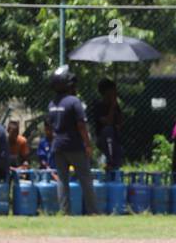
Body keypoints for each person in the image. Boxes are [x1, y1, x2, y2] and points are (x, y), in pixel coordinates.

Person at [47, 67, 97, 215]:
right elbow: (81, 125)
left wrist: (53, 143)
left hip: (58, 146)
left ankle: (65, 211)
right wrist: (87, 144)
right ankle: (93, 211)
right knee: (85, 179)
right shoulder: (74, 101)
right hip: (74, 146)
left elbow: (48, 127)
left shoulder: (52, 104)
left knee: (62, 180)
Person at [93, 78, 124, 171]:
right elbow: (107, 122)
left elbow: (120, 122)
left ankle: (115, 169)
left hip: (115, 137)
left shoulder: (115, 105)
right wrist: (112, 106)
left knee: (119, 151)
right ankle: (109, 161)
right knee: (108, 130)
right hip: (102, 138)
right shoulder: (98, 105)